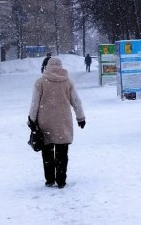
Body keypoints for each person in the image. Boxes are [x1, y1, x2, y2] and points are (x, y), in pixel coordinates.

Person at [28, 57, 86, 189]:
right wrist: (80, 117)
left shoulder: (40, 82)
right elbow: (76, 101)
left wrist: (31, 119)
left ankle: (49, 180)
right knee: (62, 152)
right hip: (63, 122)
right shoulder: (68, 82)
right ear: (61, 66)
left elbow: (34, 103)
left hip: (45, 122)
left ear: (47, 66)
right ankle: (61, 180)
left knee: (47, 153)